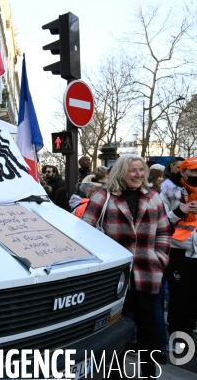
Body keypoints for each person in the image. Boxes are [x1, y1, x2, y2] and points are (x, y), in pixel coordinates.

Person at [82, 154, 170, 378]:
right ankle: (114, 374)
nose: (139, 174)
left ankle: (148, 373)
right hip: (113, 278)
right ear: (122, 171)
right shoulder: (104, 196)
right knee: (112, 329)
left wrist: (160, 258)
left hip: (147, 272)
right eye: (133, 170)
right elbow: (85, 234)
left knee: (147, 327)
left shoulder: (153, 197)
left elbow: (163, 232)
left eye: (141, 170)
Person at [159, 158, 197, 343]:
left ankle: (189, 332)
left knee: (194, 297)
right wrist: (181, 210)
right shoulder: (168, 192)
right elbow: (161, 221)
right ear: (182, 172)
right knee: (179, 297)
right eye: (193, 171)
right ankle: (177, 337)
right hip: (177, 250)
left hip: (196, 252)